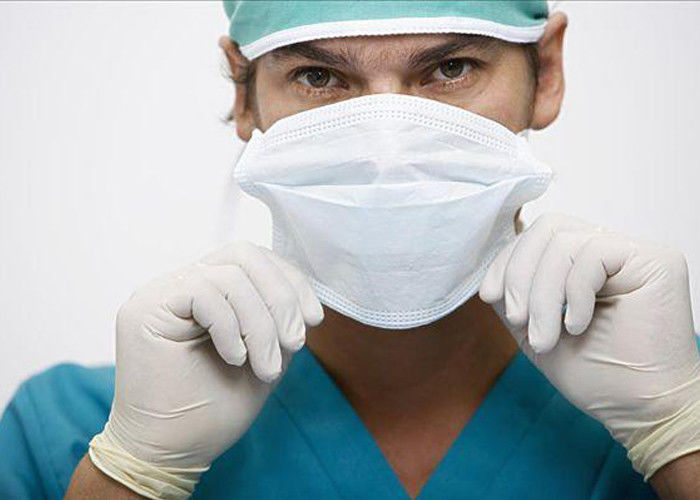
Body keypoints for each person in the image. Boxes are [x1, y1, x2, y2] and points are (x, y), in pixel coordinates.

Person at [2, 1, 700, 498]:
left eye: (451, 68)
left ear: (546, 71)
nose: (387, 147)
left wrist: (678, 435)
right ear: (245, 93)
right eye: (318, 76)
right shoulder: (69, 431)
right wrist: (134, 472)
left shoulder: (672, 388)